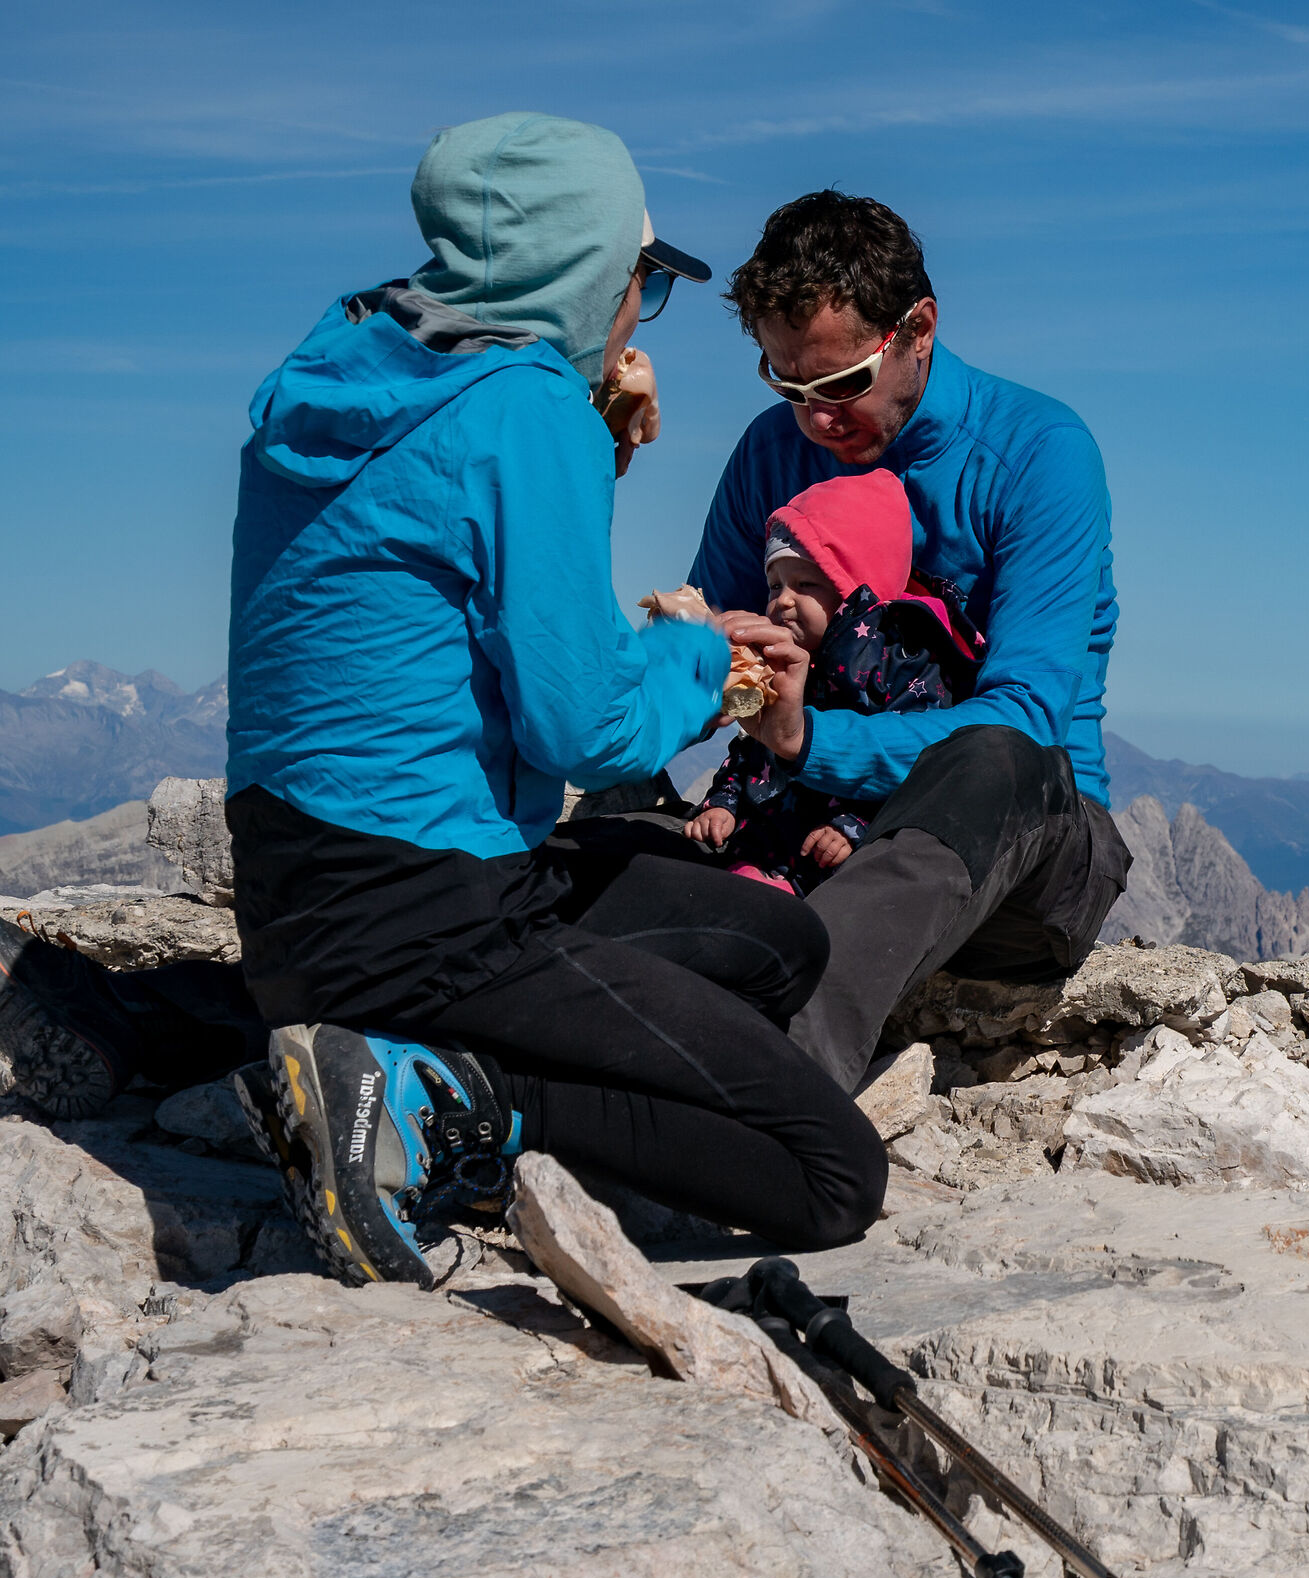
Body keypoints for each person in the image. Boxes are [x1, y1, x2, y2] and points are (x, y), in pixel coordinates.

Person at [224, 114, 885, 1288]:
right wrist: (697, 661)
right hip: (431, 912)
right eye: (642, 282)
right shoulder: (526, 408)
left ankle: (355, 1048)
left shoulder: (351, 356)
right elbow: (579, 725)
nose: (638, 313)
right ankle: (450, 1100)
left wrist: (635, 570)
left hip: (299, 895)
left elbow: (460, 611)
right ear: (590, 277)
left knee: (777, 940)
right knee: (832, 1172)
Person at [692, 192, 1131, 1094]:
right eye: (787, 385)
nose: (816, 421)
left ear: (918, 328)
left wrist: (811, 741)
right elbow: (710, 647)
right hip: (801, 829)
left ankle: (775, 1087)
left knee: (997, 753)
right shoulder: (770, 454)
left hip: (1022, 855)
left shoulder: (1038, 453)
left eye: (841, 385)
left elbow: (1030, 716)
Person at [685, 469, 979, 894]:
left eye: (806, 584)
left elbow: (910, 767)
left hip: (831, 862)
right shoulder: (781, 659)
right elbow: (751, 746)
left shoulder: (904, 664)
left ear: (855, 588)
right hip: (764, 847)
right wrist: (723, 803)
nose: (783, 599)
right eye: (774, 585)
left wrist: (853, 826)